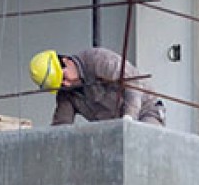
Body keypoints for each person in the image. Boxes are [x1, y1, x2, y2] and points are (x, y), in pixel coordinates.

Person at [28, 47, 166, 126]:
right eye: (60, 85)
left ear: (66, 61)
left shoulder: (98, 60)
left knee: (142, 146)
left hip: (146, 111)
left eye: (63, 78)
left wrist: (129, 117)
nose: (66, 84)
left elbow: (132, 83)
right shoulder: (67, 93)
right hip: (115, 127)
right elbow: (62, 126)